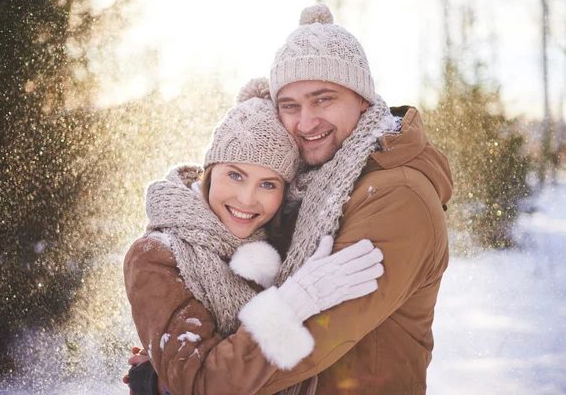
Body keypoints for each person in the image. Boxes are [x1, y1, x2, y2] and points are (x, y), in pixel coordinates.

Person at [127, 3, 454, 394]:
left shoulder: (396, 197)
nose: (305, 122)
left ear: (363, 99)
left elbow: (296, 346)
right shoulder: (310, 184)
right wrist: (177, 359)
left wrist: (178, 382)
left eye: (324, 99)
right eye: (290, 105)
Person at [123, 77, 385, 395]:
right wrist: (292, 303)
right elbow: (201, 385)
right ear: (209, 171)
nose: (247, 199)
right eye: (235, 175)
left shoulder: (277, 244)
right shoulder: (157, 255)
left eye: (268, 184)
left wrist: (157, 375)